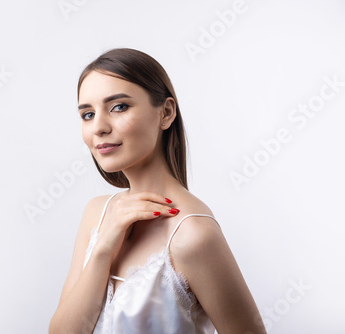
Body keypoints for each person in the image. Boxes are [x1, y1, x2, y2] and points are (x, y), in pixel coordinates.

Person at [49, 48, 267, 334]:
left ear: (165, 113)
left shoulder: (192, 234)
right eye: (87, 114)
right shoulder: (97, 213)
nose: (99, 127)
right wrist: (103, 248)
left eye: (118, 107)